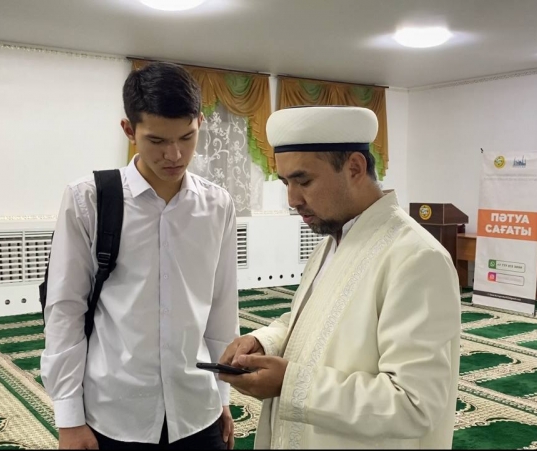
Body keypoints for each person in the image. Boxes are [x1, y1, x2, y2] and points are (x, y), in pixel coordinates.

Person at [219, 106, 461, 449]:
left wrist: (290, 384)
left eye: (304, 181)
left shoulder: (417, 258)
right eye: (286, 183)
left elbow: (414, 405)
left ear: (355, 168)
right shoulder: (331, 243)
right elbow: (314, 323)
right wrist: (265, 342)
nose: (292, 199)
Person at [41, 61, 239, 450]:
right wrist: (69, 419)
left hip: (197, 409)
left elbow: (222, 307)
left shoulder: (217, 205)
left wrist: (223, 397)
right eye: (157, 140)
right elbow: (65, 309)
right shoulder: (89, 199)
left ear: (200, 122)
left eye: (187, 137)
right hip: (115, 413)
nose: (174, 154)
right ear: (129, 130)